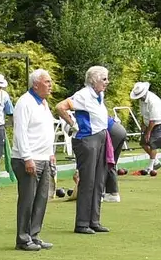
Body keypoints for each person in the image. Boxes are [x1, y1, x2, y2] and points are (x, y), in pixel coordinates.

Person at [54, 66, 111, 234]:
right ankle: (82, 223)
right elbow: (60, 107)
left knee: (99, 180)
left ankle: (94, 220)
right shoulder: (83, 95)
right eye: (104, 79)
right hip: (87, 139)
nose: (107, 82)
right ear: (94, 81)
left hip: (100, 136)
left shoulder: (99, 94)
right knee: (88, 181)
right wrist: (73, 124)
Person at [9, 69, 56, 250]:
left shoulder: (43, 103)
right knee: (28, 199)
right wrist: (27, 158)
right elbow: (20, 132)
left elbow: (45, 130)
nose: (50, 85)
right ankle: (22, 239)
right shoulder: (24, 103)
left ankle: (34, 235)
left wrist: (50, 153)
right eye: (47, 82)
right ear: (36, 84)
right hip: (28, 158)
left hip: (43, 157)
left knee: (41, 198)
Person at [129, 82, 161, 171]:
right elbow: (144, 115)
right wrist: (143, 125)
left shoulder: (153, 101)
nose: (139, 97)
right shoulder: (141, 100)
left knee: (153, 144)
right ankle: (156, 161)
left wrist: (148, 133)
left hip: (160, 123)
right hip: (150, 123)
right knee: (143, 143)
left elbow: (153, 120)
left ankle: (150, 167)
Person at [101, 116, 127, 203]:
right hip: (119, 129)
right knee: (110, 163)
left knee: (102, 163)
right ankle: (113, 194)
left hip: (111, 131)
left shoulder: (79, 117)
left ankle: (99, 194)